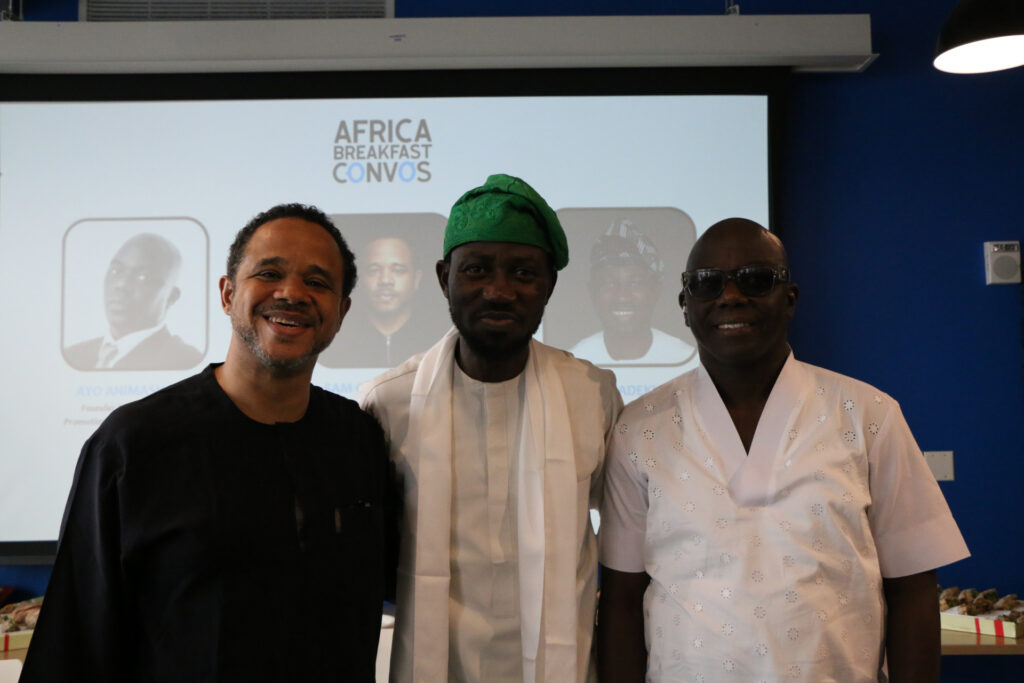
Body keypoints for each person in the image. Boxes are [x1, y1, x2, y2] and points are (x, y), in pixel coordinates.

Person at [24, 204, 396, 682]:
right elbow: (74, 637)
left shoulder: (358, 439)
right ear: (227, 294)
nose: (291, 293)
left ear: (341, 313)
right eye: (269, 273)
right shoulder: (133, 445)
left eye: (318, 282)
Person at [596, 218, 969, 682]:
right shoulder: (639, 430)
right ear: (685, 306)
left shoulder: (868, 415)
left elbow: (913, 587)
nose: (730, 296)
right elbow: (622, 599)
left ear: (789, 298)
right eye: (707, 284)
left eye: (755, 279)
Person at [360, 174, 623, 682]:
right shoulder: (387, 401)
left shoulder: (590, 393)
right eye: (477, 270)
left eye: (523, 272)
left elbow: (621, 530)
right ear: (443, 278)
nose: (499, 291)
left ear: (549, 284)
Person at [63, 232, 203, 370]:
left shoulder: (186, 360)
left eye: (143, 277)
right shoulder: (73, 355)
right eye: (116, 271)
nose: (121, 285)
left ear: (171, 297)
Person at [570, 219, 696, 367]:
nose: (622, 296)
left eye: (635, 283)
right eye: (609, 283)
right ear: (592, 292)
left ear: (656, 290)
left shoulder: (686, 359)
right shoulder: (574, 363)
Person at [319, 234, 445, 368]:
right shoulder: (338, 345)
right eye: (374, 270)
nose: (385, 281)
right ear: (360, 279)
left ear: (416, 278)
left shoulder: (438, 344)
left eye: (398, 270)